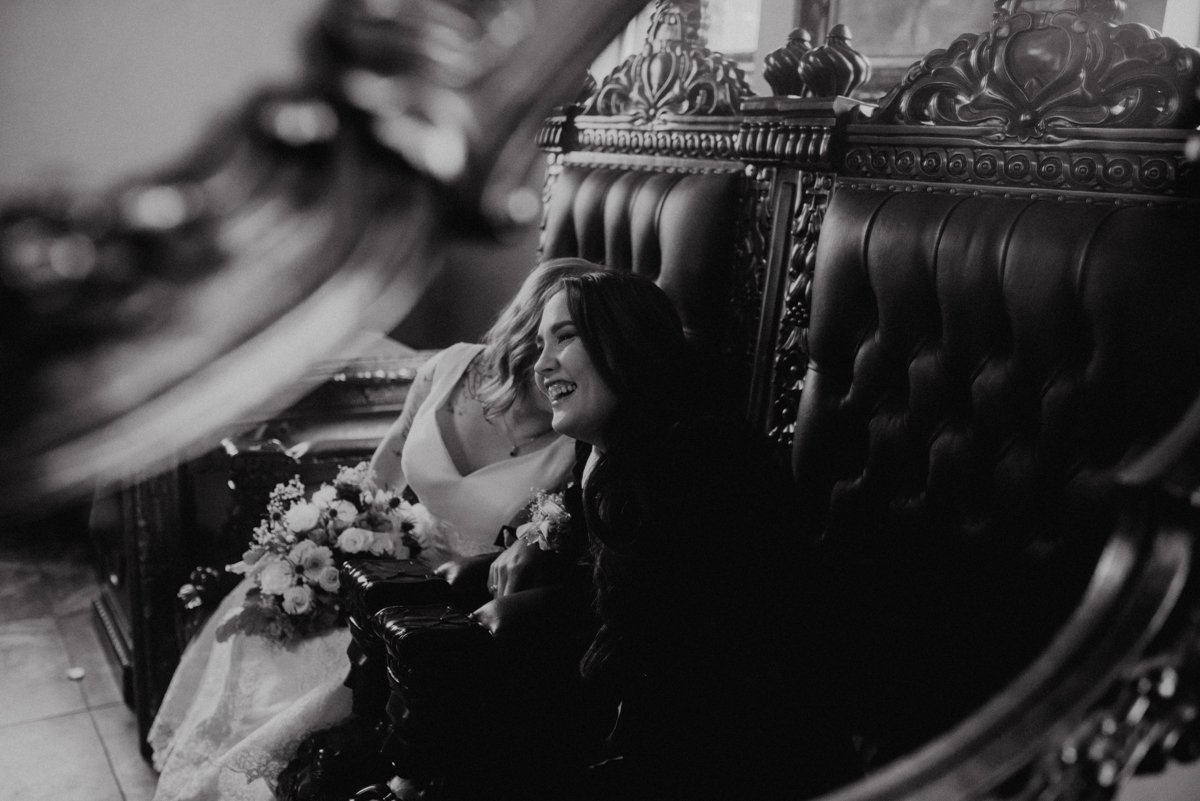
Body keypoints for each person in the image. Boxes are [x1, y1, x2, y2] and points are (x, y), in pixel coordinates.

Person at [148, 258, 595, 801]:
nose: (556, 359)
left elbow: (555, 552)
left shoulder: (580, 432)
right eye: (551, 335)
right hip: (381, 554)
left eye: (573, 339)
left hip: (440, 605)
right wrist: (318, 536)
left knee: (317, 692)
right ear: (528, 325)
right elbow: (375, 477)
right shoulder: (452, 367)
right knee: (261, 622)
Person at [530, 269, 858, 800]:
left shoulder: (704, 461)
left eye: (565, 337)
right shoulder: (607, 451)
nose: (542, 365)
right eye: (540, 344)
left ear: (627, 342)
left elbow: (704, 662)